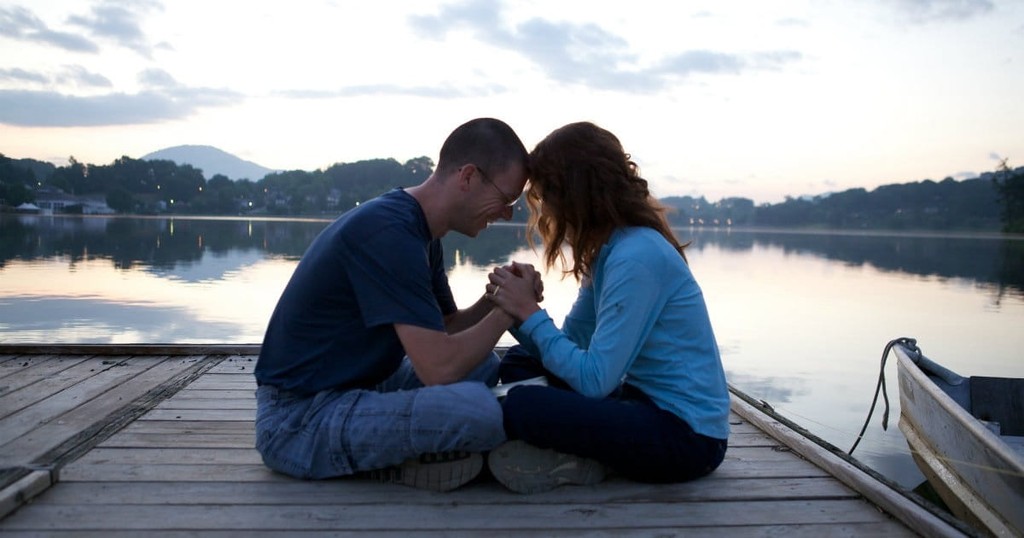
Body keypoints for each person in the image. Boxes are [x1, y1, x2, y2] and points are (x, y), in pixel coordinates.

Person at [253, 118, 530, 492]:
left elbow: (445, 326)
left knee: (482, 365)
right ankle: (393, 463)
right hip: (297, 421)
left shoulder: (420, 232)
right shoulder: (390, 233)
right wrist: (509, 310)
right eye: (506, 199)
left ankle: (400, 447)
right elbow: (439, 369)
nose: (506, 214)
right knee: (478, 413)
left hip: (352, 387)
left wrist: (496, 297)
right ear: (468, 177)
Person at [483, 121, 731, 494]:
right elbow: (574, 346)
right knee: (520, 362)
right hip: (640, 402)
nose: (546, 208)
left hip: (688, 439)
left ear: (573, 191)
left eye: (546, 193)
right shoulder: (610, 251)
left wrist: (531, 314)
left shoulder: (637, 257)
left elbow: (594, 382)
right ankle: (580, 454)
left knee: (523, 405)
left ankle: (581, 461)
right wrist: (519, 309)